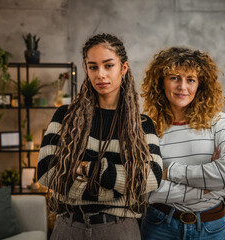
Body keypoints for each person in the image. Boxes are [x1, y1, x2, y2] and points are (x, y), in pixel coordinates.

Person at [37, 33, 163, 240]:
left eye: (108, 65)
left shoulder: (141, 124)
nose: (100, 75)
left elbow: (151, 177)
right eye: (93, 66)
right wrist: (118, 188)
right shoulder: (65, 116)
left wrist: (86, 167)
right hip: (68, 228)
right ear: (86, 69)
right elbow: (46, 172)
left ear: (123, 68)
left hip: (119, 229)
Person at [140, 47, 225, 240]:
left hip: (211, 228)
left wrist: (168, 173)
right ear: (161, 82)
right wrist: (207, 187)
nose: (182, 87)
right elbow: (145, 188)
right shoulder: (145, 126)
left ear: (200, 85)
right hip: (159, 227)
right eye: (174, 77)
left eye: (190, 80)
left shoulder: (219, 122)